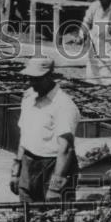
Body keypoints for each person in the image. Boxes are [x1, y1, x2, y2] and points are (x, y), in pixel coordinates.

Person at [11, 56, 80, 204]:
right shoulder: (29, 97)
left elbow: (66, 149)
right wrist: (16, 170)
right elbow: (24, 136)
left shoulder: (64, 105)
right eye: (30, 78)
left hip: (52, 165)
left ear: (51, 76)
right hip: (28, 162)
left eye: (37, 79)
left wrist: (55, 187)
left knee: (54, 218)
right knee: (26, 215)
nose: (32, 83)